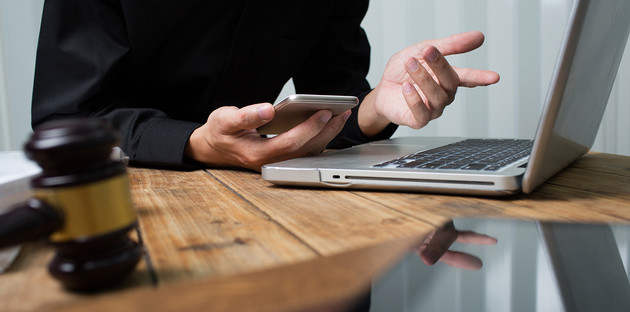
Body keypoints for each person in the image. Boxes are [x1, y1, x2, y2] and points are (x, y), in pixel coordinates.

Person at [32, 0, 499, 171]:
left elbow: (334, 107)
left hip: (265, 208)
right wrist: (195, 143)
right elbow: (66, 115)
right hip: (124, 196)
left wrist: (377, 105)